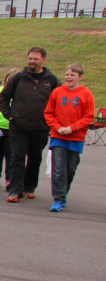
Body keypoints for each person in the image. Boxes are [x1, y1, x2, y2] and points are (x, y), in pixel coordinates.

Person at [0, 46, 61, 202]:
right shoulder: (18, 78)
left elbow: (60, 100)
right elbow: (3, 98)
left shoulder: (51, 80)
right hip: (19, 125)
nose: (32, 61)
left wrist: (52, 120)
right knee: (17, 157)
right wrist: (10, 115)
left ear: (43, 60)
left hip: (40, 127)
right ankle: (15, 190)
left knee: (35, 157)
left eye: (36, 59)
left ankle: (29, 187)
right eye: (30, 58)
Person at [43, 63, 95, 212]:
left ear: (80, 77)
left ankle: (63, 192)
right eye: (67, 74)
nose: (69, 77)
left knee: (70, 168)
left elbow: (88, 116)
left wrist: (72, 128)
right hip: (58, 136)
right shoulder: (57, 92)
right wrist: (58, 127)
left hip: (76, 137)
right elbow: (49, 113)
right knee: (58, 168)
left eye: (72, 75)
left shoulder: (86, 93)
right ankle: (58, 199)